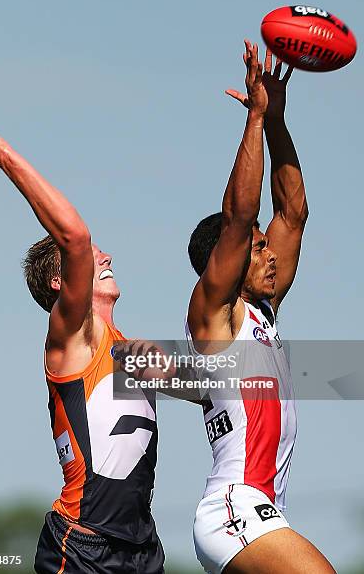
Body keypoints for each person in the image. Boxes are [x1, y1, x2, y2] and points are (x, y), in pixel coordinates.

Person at [0, 131, 164, 574]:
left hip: (142, 547)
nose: (105, 255)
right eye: (94, 258)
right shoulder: (71, 334)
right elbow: (74, 236)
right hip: (83, 543)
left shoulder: (131, 351)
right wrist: (5, 156)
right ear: (62, 283)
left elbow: (214, 380)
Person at [185, 41, 335, 573]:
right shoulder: (214, 317)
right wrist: (252, 116)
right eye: (257, 248)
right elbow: (241, 214)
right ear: (224, 263)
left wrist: (277, 121)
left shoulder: (262, 313)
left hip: (266, 511)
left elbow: (291, 213)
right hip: (235, 507)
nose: (271, 254)